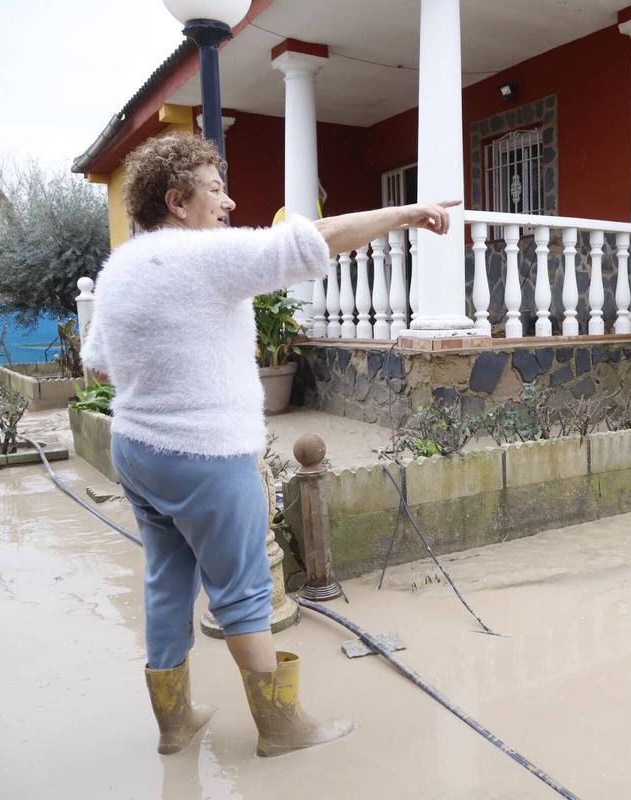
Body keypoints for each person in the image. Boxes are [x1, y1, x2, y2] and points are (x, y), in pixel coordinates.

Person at [80, 131, 457, 757]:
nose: (227, 204)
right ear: (177, 201)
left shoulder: (121, 267)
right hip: (206, 457)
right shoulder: (200, 257)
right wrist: (408, 213)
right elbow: (317, 239)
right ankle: (282, 728)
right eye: (215, 190)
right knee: (245, 591)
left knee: (167, 582)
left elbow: (98, 363)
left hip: (138, 451)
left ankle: (174, 725)